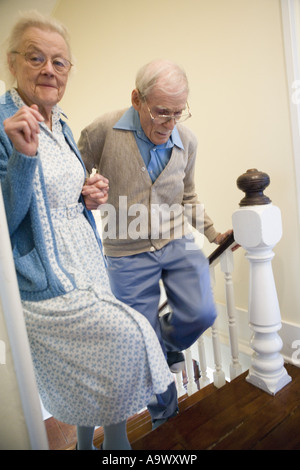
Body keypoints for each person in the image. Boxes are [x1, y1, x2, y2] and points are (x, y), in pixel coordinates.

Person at [0, 13, 174, 450]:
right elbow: (7, 218)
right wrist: (22, 158)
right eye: (36, 57)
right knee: (128, 338)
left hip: (85, 262)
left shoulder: (58, 121)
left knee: (96, 372)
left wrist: (84, 193)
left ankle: (87, 446)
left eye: (60, 63)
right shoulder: (7, 125)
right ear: (12, 63)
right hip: (46, 279)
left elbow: (53, 197)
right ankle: (118, 449)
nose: (49, 70)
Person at [78, 59, 233, 427]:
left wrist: (213, 234)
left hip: (176, 240)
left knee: (202, 312)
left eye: (179, 112)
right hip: (125, 250)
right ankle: (165, 416)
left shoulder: (187, 141)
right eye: (162, 111)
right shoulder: (102, 130)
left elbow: (188, 195)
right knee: (139, 339)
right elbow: (72, 178)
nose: (170, 122)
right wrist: (82, 191)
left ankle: (164, 342)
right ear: (137, 99)